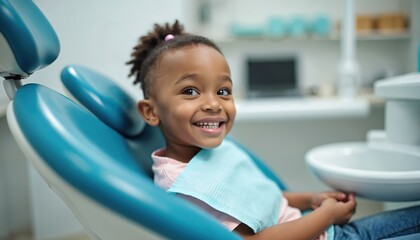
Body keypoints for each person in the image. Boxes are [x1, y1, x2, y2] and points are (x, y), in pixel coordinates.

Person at [127, 20, 420, 240]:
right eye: (191, 91)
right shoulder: (185, 187)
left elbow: (260, 197)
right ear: (151, 111)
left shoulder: (201, 152)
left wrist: (311, 200)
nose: (214, 104)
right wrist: (326, 215)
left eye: (224, 91)